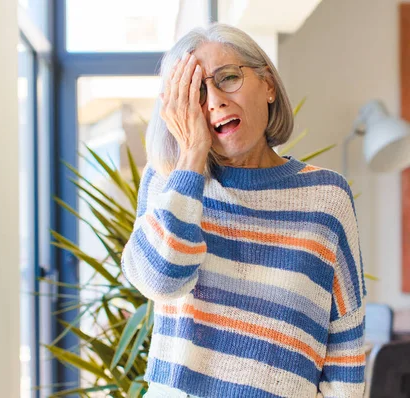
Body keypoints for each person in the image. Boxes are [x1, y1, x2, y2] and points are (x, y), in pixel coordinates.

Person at [121, 23, 367, 398]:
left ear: (268, 85)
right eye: (196, 92)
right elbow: (160, 281)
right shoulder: (171, 181)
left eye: (228, 78)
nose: (215, 100)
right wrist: (190, 157)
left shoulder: (325, 196)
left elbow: (345, 338)